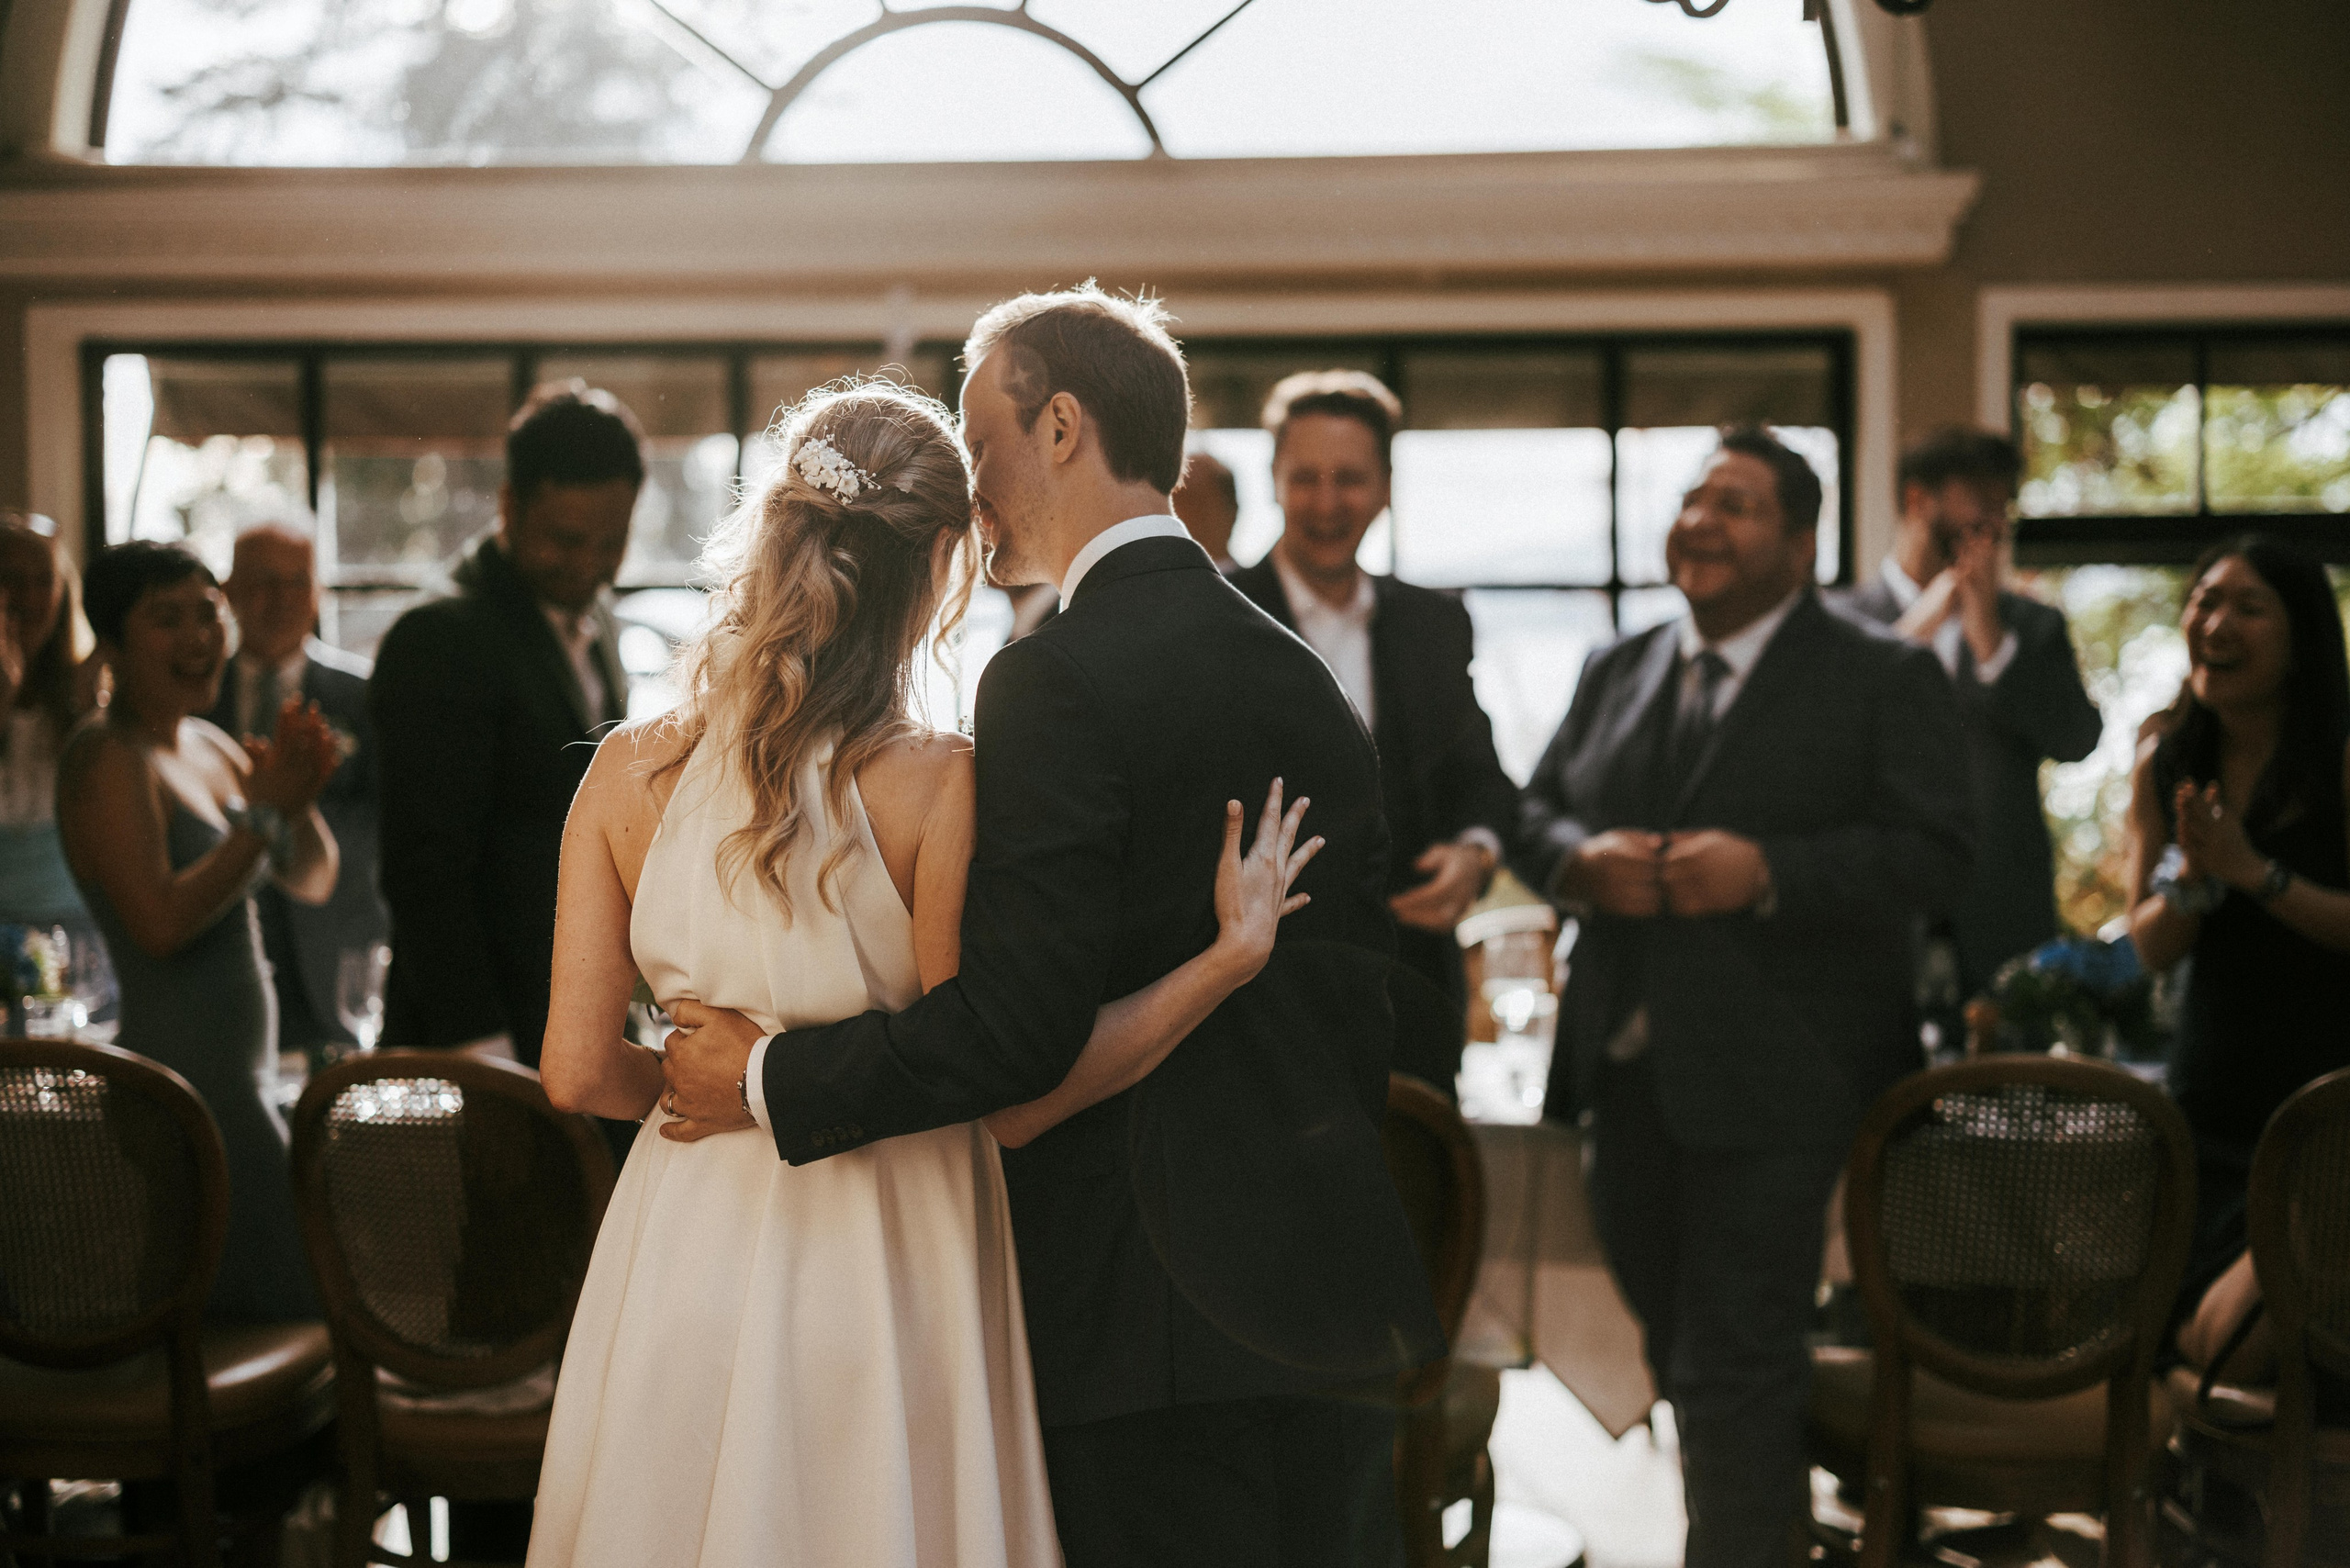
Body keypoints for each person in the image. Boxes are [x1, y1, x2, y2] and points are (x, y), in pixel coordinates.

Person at [661, 289, 1442, 1568]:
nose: (972, 493)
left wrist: (764, 1076)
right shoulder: (1301, 675)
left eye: (983, 441)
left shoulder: (1057, 675)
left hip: (1150, 1326)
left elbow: (1014, 1032)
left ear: (1063, 426)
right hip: (1333, 1295)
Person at [529, 381, 1324, 1568]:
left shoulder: (621, 776)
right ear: (945, 563)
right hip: (886, 1254)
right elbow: (1006, 1088)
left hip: (682, 1240)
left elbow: (576, 1072)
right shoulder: (944, 782)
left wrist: (716, 1086)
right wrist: (1225, 960)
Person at [1511, 427, 1972, 1568]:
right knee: (1687, 1361)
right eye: (1691, 500)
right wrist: (1580, 862)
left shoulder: (1883, 673)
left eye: (1737, 504)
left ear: (1803, 541)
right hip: (1623, 1080)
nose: (1700, 522)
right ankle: (1772, 1533)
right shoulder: (1619, 667)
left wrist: (1767, 871)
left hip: (1789, 1083)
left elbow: (1937, 853)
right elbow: (1533, 812)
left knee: (1730, 1363)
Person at [58, 541, 341, 1323]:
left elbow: (312, 878)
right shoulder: (105, 756)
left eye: (208, 612)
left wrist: (297, 797)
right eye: (166, 619)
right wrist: (260, 817)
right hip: (182, 1092)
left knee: (294, 1302)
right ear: (111, 644)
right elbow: (158, 924)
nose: (200, 635)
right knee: (286, 1304)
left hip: (245, 1085)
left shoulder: (209, 747)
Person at [1225, 371, 1517, 1086]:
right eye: (1306, 478)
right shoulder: (1217, 615)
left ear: (1385, 486)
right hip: (1251, 1004)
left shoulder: (1435, 624)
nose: (1328, 503)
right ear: (1274, 481)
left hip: (1411, 995)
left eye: (1350, 479)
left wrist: (1474, 857)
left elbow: (1482, 781)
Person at [371, 381, 639, 1068]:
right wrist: (487, 1056)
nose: (588, 565)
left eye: (611, 542)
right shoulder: (438, 639)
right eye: (566, 539)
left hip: (579, 1019)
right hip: (482, 1041)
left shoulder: (597, 621)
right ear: (509, 506)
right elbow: (426, 875)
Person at [2124, 534, 2350, 1326]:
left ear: (2301, 641)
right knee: (2194, 1332)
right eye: (2205, 601)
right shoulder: (2167, 756)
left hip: (2329, 1112)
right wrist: (2194, 881)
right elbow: (2148, 946)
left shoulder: (2342, 758)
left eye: (2249, 608)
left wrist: (2256, 873)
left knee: (2274, 1333)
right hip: (2207, 1109)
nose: (2216, 622)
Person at [1836, 429, 2102, 990]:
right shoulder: (1841, 622)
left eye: (2001, 506)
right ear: (1917, 500)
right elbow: (1828, 734)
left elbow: (2076, 741)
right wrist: (1917, 631)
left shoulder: (2034, 628)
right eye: (1979, 503)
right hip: (1875, 910)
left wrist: (1991, 642)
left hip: (2003, 911)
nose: (1994, 522)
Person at [207, 523, 384, 1058]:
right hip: (224, 945)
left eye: (296, 582)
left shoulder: (364, 694)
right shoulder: (197, 696)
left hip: (334, 950)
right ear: (231, 590)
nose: (280, 600)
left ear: (317, 593)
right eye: (263, 582)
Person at [0, 511, 106, 1013]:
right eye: (10, 579)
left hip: (75, 935)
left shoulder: (84, 691)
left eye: (44, 581)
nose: (27, 597)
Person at [1173, 447, 1239, 569]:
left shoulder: (1263, 586)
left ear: (1231, 510)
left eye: (1192, 499)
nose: (1180, 513)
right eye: (1175, 500)